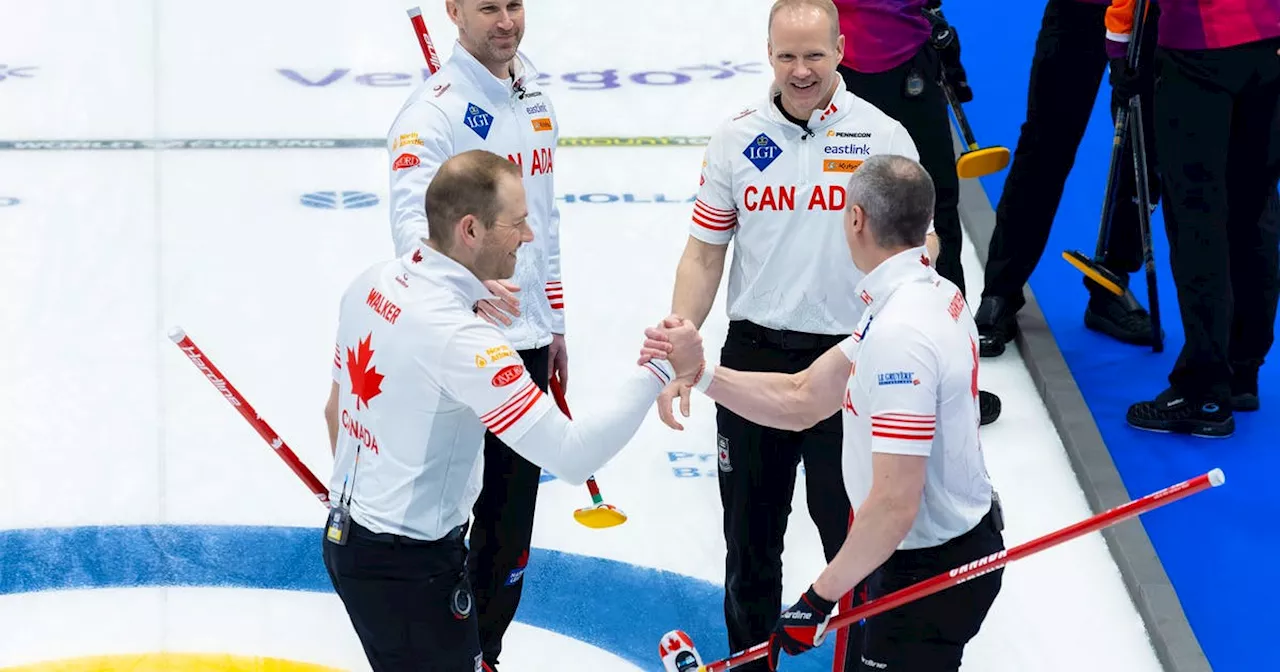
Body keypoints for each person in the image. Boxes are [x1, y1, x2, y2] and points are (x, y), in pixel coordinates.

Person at [323, 149, 705, 671]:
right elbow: (571, 457)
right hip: (410, 571)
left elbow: (334, 411)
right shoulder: (463, 340)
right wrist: (661, 368)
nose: (529, 237)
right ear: (471, 230)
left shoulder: (371, 283)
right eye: (518, 223)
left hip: (352, 543)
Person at [643, 154, 1005, 672]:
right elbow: (804, 397)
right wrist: (701, 374)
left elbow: (894, 505)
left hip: (925, 573)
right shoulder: (923, 295)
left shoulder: (901, 336)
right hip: (939, 553)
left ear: (855, 219)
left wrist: (818, 598)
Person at [667, 1, 944, 668]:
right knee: (749, 541)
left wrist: (902, 333)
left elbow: (923, 244)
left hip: (847, 362)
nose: (801, 70)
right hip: (754, 357)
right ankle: (748, 661)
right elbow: (705, 252)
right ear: (768, 53)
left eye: (814, 55)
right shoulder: (736, 138)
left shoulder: (882, 137)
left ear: (842, 50)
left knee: (847, 540)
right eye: (787, 56)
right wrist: (682, 338)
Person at [383, 1, 568, 665]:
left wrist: (554, 324)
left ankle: (485, 654)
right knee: (447, 524)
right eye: (488, 6)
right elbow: (411, 230)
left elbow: (541, 223)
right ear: (454, 10)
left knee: (508, 531)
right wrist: (461, 295)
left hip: (527, 341)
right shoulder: (432, 113)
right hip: (460, 348)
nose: (506, 21)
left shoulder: (535, 92)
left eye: (514, 4)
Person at [1107, 0, 1280, 437]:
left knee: (1198, 220)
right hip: (1269, 45)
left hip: (1198, 51)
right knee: (1253, 211)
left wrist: (1119, 45)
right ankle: (1241, 370)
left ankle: (1204, 389)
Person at [831, 0, 1003, 421]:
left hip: (906, 63)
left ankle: (952, 376)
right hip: (839, 67)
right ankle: (836, 375)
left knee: (936, 209)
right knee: (838, 211)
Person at [973, 0, 1162, 358]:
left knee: (1145, 149)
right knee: (1044, 143)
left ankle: (1112, 284)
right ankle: (1000, 290)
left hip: (1148, 16)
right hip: (1077, 9)